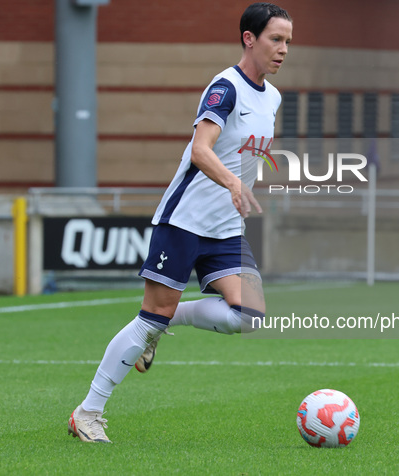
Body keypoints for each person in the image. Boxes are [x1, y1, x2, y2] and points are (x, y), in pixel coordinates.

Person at [68, 2, 293, 443]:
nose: (284, 49)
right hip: (185, 222)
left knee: (249, 316)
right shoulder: (224, 88)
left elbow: (245, 153)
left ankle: (169, 323)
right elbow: (200, 149)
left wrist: (248, 180)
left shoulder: (274, 97)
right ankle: (87, 412)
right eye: (276, 39)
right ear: (250, 38)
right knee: (149, 316)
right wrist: (231, 181)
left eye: (288, 41)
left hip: (227, 228)